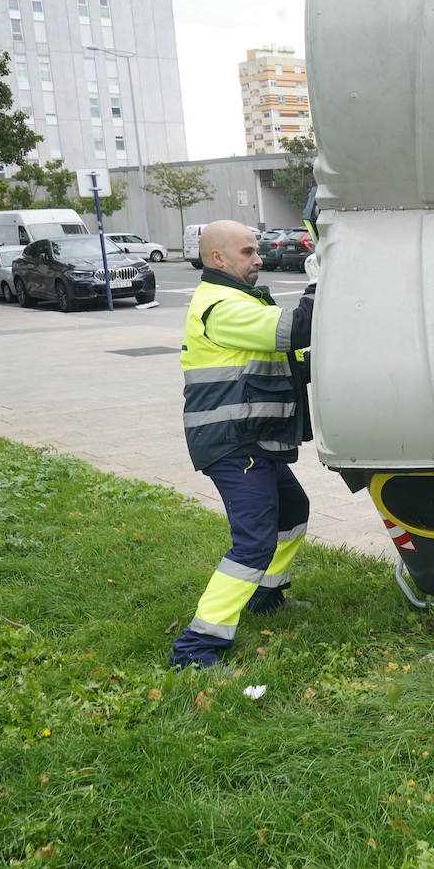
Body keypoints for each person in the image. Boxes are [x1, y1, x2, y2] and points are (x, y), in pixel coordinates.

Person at [170, 220, 318, 668]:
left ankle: (266, 597)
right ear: (218, 258)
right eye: (249, 251)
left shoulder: (237, 300)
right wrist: (322, 281)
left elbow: (282, 361)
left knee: (293, 513)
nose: (259, 258)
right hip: (233, 442)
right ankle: (197, 647)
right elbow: (296, 330)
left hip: (253, 439)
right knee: (252, 544)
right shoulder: (221, 306)